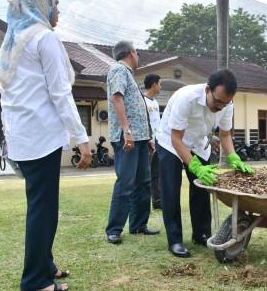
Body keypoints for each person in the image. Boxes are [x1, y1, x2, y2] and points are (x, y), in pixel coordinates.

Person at [0, 0, 92, 291]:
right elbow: (61, 94)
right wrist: (82, 138)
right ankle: (35, 279)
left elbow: (8, 98)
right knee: (43, 208)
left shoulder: (10, 43)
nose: (58, 10)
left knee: (42, 205)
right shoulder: (44, 39)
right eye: (55, 3)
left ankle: (45, 265)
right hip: (41, 138)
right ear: (41, 5)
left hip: (24, 139)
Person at [156, 69, 253, 258]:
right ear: (208, 89)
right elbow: (176, 139)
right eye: (217, 101)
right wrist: (195, 167)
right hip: (170, 142)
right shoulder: (186, 98)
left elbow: (224, 134)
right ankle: (175, 240)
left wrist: (233, 157)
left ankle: (201, 233)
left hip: (198, 143)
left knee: (202, 188)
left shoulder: (226, 104)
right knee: (171, 191)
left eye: (225, 103)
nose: (220, 107)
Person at [105, 41, 159, 245]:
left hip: (141, 139)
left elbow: (136, 107)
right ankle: (114, 229)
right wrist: (126, 131)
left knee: (143, 183)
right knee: (126, 182)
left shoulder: (129, 75)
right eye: (137, 52)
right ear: (130, 53)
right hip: (127, 138)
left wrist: (148, 138)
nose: (138, 57)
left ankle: (138, 224)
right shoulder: (118, 69)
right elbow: (117, 99)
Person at [143, 74, 162, 209]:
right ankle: (145, 202)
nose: (161, 87)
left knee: (157, 173)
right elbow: (143, 122)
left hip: (158, 143)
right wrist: (149, 140)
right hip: (147, 144)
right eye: (160, 83)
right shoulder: (142, 100)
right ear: (154, 84)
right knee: (146, 175)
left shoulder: (155, 102)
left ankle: (157, 201)